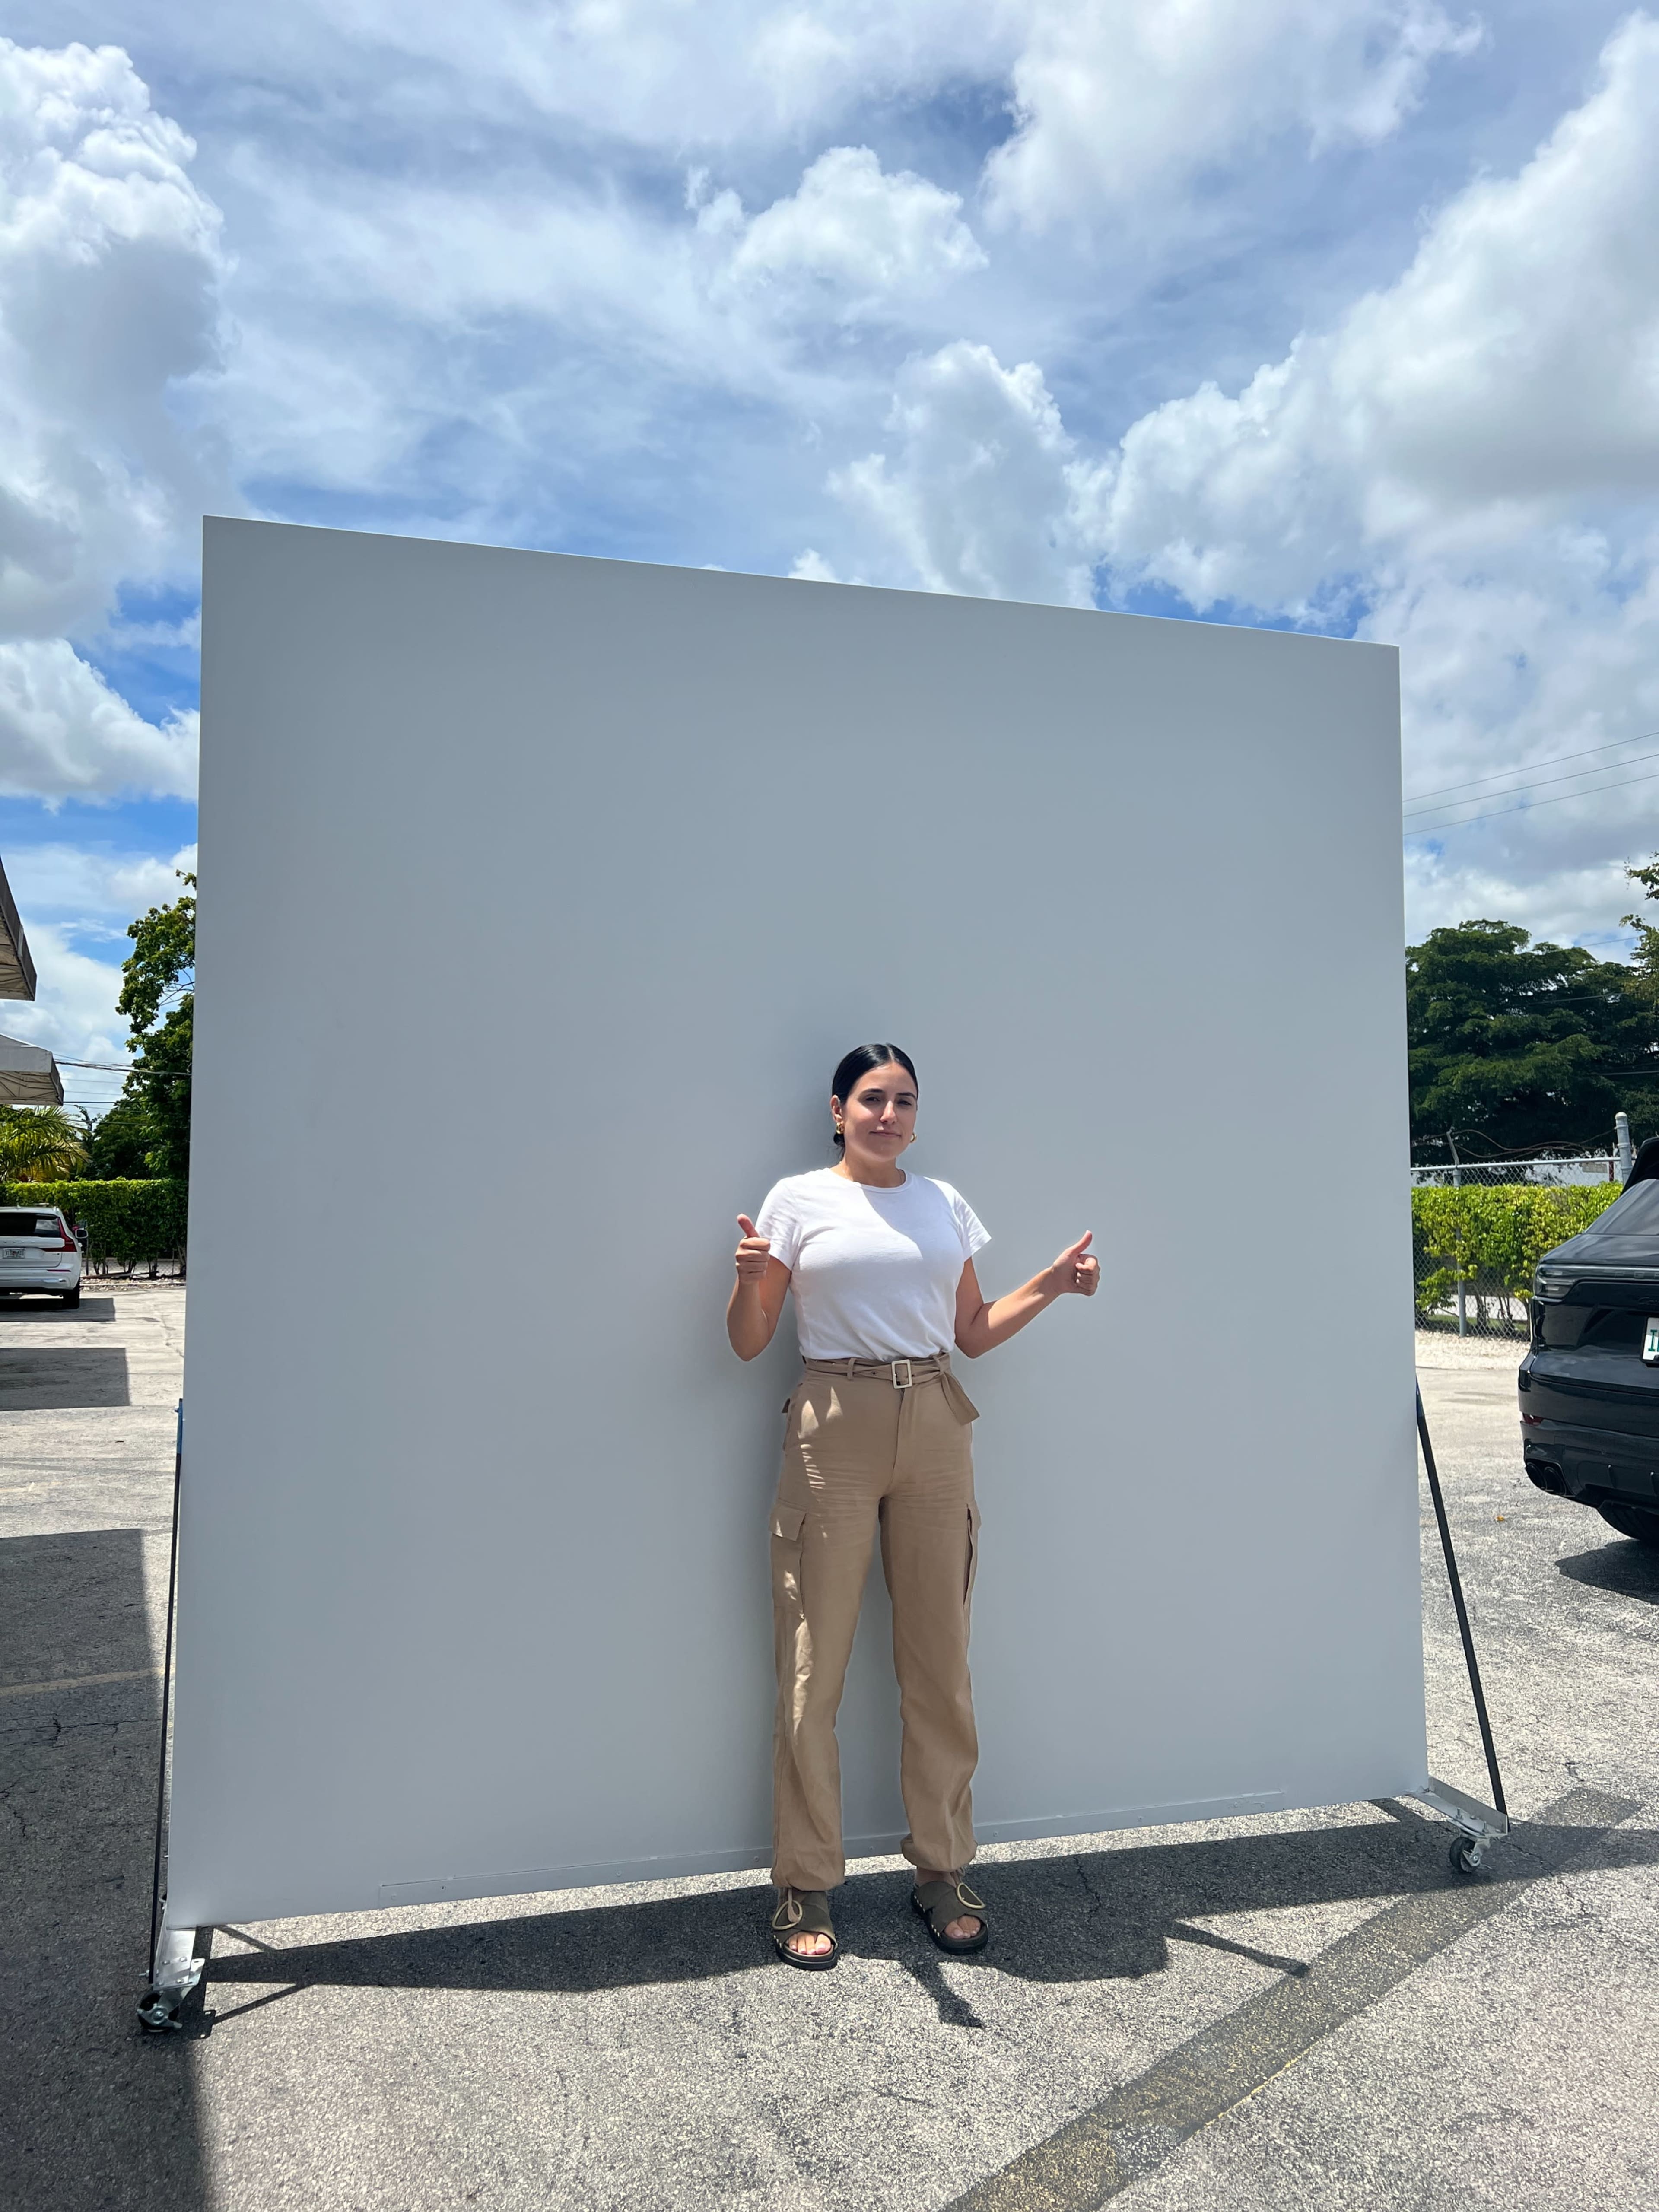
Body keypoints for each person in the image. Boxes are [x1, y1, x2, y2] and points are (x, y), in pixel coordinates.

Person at [728, 1042, 1099, 1969]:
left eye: (903, 1101)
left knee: (941, 1660)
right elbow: (748, 1343)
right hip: (834, 1418)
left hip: (935, 1416)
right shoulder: (796, 1201)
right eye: (871, 1099)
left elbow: (971, 1332)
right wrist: (745, 1276)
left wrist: (1050, 1284)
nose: (888, 1115)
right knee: (815, 1661)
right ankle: (804, 1879)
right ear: (837, 1109)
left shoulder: (943, 1203)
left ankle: (943, 1867)